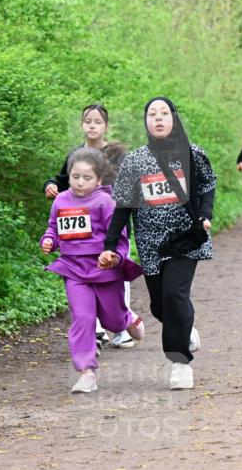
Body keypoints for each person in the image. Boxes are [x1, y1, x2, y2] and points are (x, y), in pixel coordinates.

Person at [99, 97, 217, 390]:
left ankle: (180, 363)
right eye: (152, 114)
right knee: (159, 306)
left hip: (186, 238)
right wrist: (110, 244)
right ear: (146, 122)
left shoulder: (192, 153)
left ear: (174, 119)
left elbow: (207, 186)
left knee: (176, 296)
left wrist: (204, 215)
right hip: (152, 244)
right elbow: (123, 206)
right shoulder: (136, 161)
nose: (159, 118)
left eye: (165, 113)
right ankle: (185, 327)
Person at [41, 148, 145, 393]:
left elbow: (120, 238)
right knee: (83, 318)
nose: (80, 182)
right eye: (75, 176)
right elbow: (54, 229)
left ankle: (127, 319)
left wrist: (115, 257)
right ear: (69, 176)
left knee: (112, 319)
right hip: (74, 270)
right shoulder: (61, 200)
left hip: (103, 270)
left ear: (98, 180)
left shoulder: (105, 202)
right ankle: (87, 372)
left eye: (86, 178)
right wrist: (48, 241)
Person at [43, 104, 136, 349]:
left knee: (114, 271)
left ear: (106, 126)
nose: (92, 126)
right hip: (80, 227)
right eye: (88, 121)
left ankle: (121, 328)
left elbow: (130, 187)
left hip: (111, 220)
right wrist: (51, 184)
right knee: (83, 275)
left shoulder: (116, 154)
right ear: (82, 125)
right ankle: (94, 331)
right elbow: (63, 180)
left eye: (97, 122)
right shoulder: (76, 154)